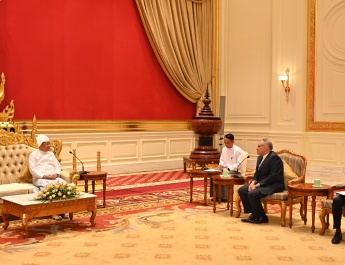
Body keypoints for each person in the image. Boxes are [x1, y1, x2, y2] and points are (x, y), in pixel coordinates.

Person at [238, 138, 284, 224]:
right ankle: (254, 214)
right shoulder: (260, 158)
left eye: (259, 146)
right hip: (262, 183)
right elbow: (257, 173)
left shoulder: (274, 158)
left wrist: (258, 185)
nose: (256, 148)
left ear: (265, 147)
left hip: (273, 184)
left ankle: (262, 217)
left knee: (252, 194)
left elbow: (273, 176)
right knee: (242, 190)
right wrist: (253, 182)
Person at [29, 134, 68, 221]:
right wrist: (44, 176)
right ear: (41, 145)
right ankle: (53, 212)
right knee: (52, 188)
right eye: (47, 144)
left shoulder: (51, 154)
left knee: (64, 185)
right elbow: (32, 170)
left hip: (53, 177)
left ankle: (63, 210)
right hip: (40, 178)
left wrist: (56, 174)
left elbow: (57, 166)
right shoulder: (33, 155)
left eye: (49, 144)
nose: (49, 146)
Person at [210, 133, 243, 201]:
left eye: (228, 142)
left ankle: (224, 197)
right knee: (213, 174)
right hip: (224, 168)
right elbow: (222, 160)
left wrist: (228, 168)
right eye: (225, 142)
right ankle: (215, 195)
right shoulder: (224, 149)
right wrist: (221, 165)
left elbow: (238, 164)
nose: (226, 144)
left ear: (233, 141)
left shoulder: (238, 150)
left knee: (224, 174)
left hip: (234, 170)